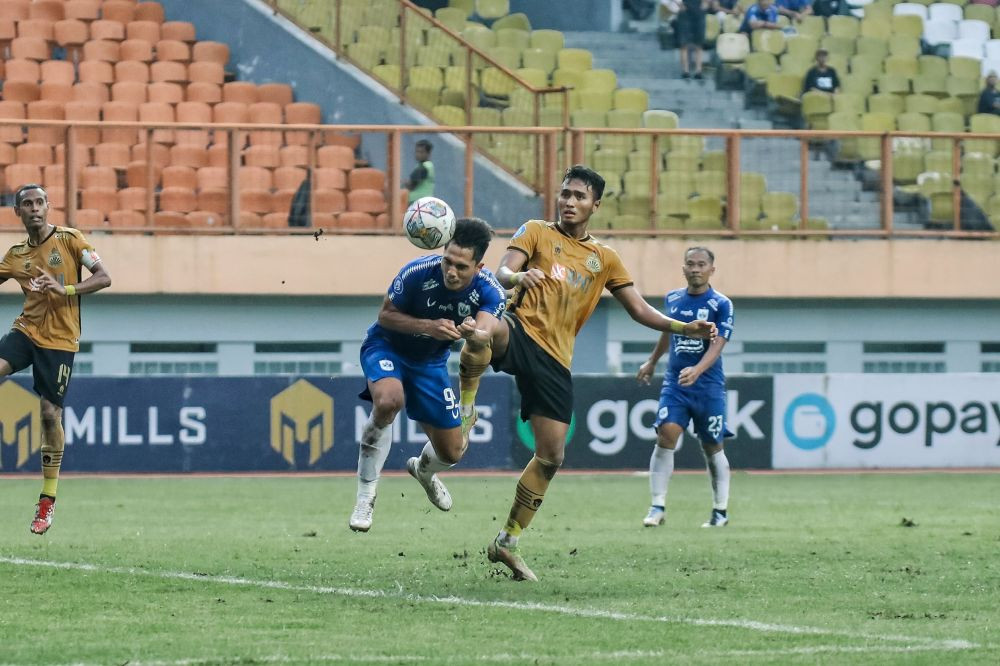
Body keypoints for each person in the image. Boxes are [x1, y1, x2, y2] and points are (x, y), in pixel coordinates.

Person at [457, 165, 717, 581]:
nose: (569, 202)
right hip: (520, 330)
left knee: (552, 457)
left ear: (595, 204)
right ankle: (466, 409)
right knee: (482, 332)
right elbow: (502, 272)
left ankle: (507, 542)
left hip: (556, 360)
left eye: (579, 196)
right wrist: (519, 275)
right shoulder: (536, 231)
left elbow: (639, 310)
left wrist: (686, 328)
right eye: (564, 194)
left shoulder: (605, 259)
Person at [349, 217, 505, 532]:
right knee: (389, 400)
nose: (451, 271)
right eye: (448, 261)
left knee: (452, 452)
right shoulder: (417, 272)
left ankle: (423, 471)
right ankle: (366, 495)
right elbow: (386, 316)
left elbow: (487, 330)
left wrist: (472, 334)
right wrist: (428, 326)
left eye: (461, 267)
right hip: (386, 348)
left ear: (479, 266)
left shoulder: (491, 291)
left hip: (429, 364)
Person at [0, 184, 111, 535]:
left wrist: (65, 290)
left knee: (50, 414)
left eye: (39, 202)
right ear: (18, 212)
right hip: (26, 331)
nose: (34, 208)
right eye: (27, 204)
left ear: (48, 207)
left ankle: (47, 499)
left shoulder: (70, 239)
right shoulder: (16, 255)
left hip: (61, 340)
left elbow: (104, 277)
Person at [636, 246, 734, 529]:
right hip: (676, 383)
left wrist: (698, 369)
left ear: (711, 269)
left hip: (709, 387)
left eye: (701, 264)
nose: (695, 269)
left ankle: (720, 511)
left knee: (712, 445)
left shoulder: (721, 304)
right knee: (666, 433)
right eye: (690, 264)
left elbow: (719, 343)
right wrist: (653, 361)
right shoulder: (673, 299)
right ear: (683, 268)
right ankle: (657, 506)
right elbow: (669, 331)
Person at [675, 0, 709, 80]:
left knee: (699, 43)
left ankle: (698, 71)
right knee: (684, 43)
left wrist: (706, 2)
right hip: (685, 10)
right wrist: (678, 3)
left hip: (699, 9)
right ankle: (685, 71)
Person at [404, 139, 435, 204]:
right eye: (417, 151)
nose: (418, 154)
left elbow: (411, 185)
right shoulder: (423, 165)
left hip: (419, 203)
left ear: (428, 153)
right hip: (419, 201)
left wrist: (404, 183)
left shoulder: (425, 167)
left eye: (421, 152)